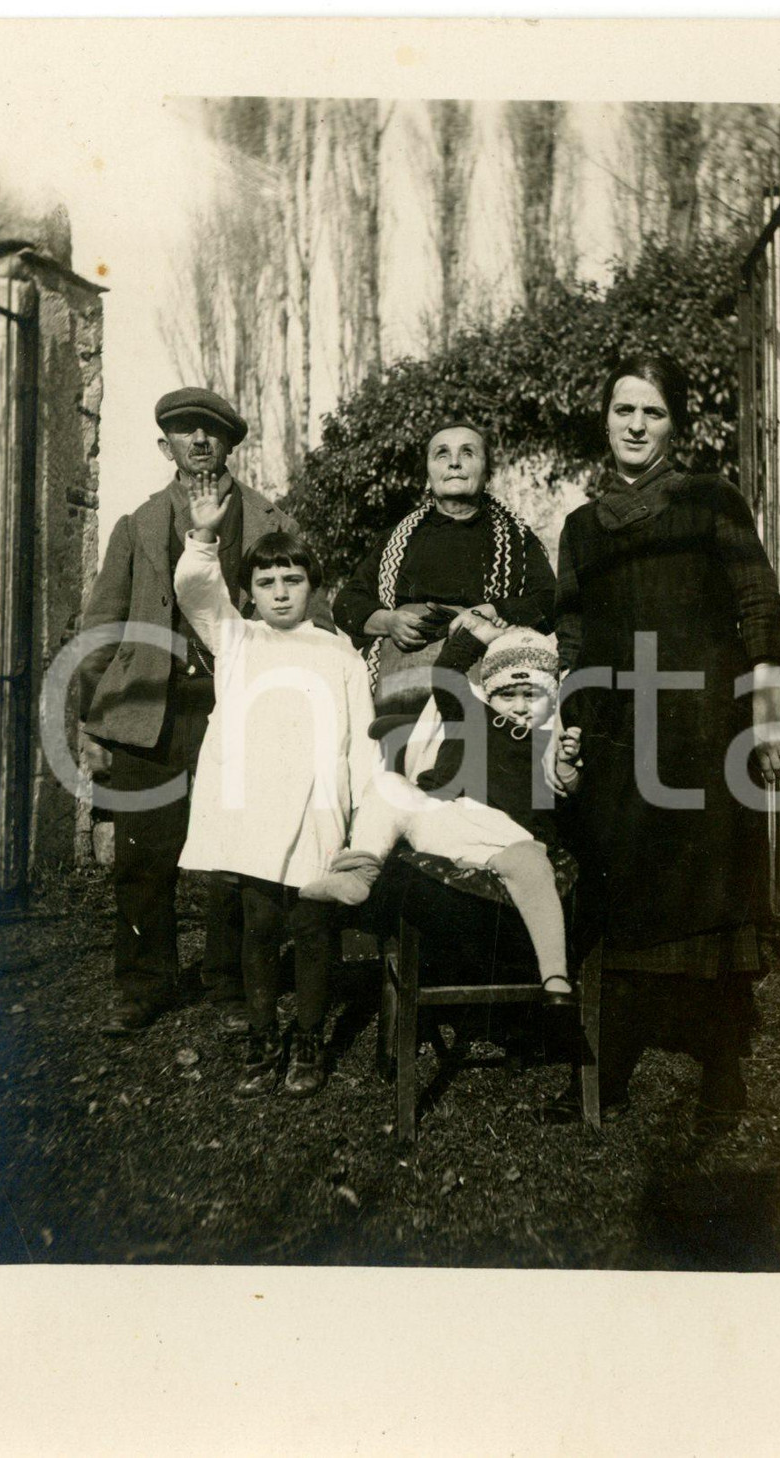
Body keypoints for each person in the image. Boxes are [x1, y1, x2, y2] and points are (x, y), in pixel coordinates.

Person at [555, 351, 780, 1132]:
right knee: (621, 885)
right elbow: (575, 633)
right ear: (606, 418)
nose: (636, 424)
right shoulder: (582, 528)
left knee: (714, 894)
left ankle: (724, 1072)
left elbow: (757, 600)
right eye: (625, 409)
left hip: (704, 724)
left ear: (675, 424)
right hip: (622, 734)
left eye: (653, 412)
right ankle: (610, 1068)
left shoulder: (710, 499)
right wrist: (574, 724)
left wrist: (768, 713)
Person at [79, 387, 332, 1035]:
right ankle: (143, 983)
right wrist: (96, 713)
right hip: (149, 713)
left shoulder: (271, 521)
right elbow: (103, 626)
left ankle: (231, 985)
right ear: (166, 445)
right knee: (143, 856)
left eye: (210, 433)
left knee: (237, 854)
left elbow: (317, 615)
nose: (198, 442)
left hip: (241, 714)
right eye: (184, 432)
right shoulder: (138, 524)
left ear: (228, 445)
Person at [175, 481, 375, 1099]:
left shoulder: (339, 654)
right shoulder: (237, 641)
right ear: (250, 593)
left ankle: (309, 1038)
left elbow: (362, 740)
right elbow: (195, 590)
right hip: (255, 813)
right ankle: (263, 1037)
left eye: (291, 580)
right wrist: (204, 537)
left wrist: (361, 819)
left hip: (317, 809)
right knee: (259, 928)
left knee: (314, 931)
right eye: (266, 583)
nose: (280, 593)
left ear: (312, 587)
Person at [301, 621, 583, 1004]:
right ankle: (360, 873)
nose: (519, 706)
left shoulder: (548, 739)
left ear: (549, 697)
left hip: (507, 835)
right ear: (490, 693)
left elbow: (568, 792)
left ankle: (555, 976)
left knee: (533, 867)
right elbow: (446, 674)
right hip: (443, 818)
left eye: (531, 695)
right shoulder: (469, 712)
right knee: (387, 786)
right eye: (508, 694)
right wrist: (477, 636)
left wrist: (567, 767)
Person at [333, 419, 556, 716]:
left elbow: (549, 600)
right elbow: (347, 602)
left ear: (487, 474)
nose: (454, 463)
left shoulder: (517, 540)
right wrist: (389, 622)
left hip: (480, 686)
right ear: (428, 476)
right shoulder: (396, 540)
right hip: (403, 685)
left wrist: (490, 613)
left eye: (467, 453)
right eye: (442, 454)